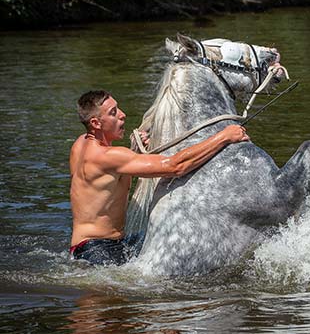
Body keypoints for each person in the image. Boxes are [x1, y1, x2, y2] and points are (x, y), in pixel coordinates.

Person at [69, 90, 249, 265]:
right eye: (113, 113)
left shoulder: (80, 144)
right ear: (96, 123)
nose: (122, 115)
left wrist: (134, 153)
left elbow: (108, 182)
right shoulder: (108, 156)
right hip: (97, 250)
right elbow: (175, 166)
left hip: (93, 245)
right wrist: (224, 137)